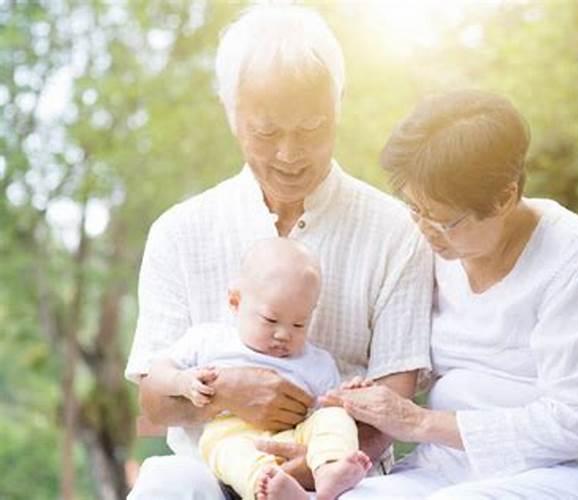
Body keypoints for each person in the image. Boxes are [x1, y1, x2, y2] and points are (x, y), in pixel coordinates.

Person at [125, 5, 432, 499]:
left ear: (339, 103)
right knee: (165, 484)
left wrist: (312, 469)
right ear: (230, 113)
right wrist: (225, 392)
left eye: (312, 128)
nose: (291, 155)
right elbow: (153, 406)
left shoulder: (396, 232)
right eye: (267, 133)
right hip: (211, 469)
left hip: (345, 476)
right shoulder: (179, 232)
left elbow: (395, 402)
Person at [328, 90, 578, 499]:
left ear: (505, 196)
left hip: (575, 471)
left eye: (445, 220)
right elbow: (409, 366)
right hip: (449, 468)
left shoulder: (574, 255)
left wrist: (419, 423)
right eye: (414, 209)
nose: (425, 229)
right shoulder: (432, 250)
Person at [147, 238, 372, 500]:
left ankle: (330, 471)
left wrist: (350, 397)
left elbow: (328, 406)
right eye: (270, 320)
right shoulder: (209, 341)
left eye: (299, 324)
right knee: (227, 452)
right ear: (235, 302)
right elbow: (156, 373)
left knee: (334, 418)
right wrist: (182, 381)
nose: (283, 334)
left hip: (296, 438)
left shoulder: (318, 362)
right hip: (234, 435)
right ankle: (268, 487)